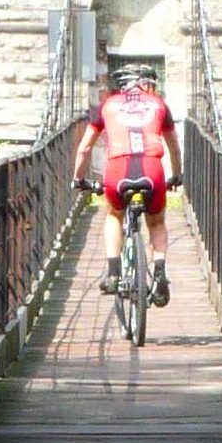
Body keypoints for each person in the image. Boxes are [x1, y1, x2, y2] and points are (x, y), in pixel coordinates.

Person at [71, 64, 183, 306]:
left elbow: (85, 148)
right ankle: (160, 274)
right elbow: (174, 147)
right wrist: (177, 176)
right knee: (156, 222)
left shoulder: (107, 105)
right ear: (144, 83)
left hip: (117, 171)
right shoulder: (159, 105)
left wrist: (78, 179)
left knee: (114, 215)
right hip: (152, 170)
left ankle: (113, 273)